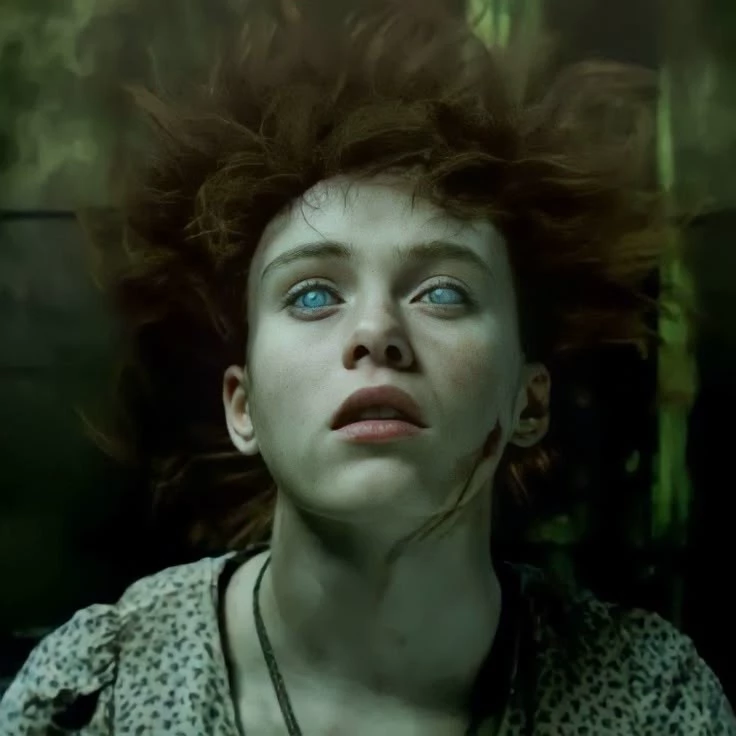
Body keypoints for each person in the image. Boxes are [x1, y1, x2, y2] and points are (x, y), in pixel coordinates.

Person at [1, 0, 734, 733]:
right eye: (312, 294)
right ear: (242, 407)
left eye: (443, 292)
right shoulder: (100, 698)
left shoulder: (652, 704)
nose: (377, 331)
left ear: (528, 400)